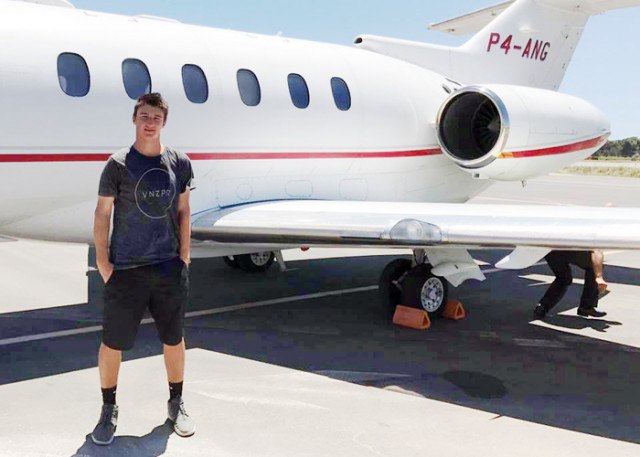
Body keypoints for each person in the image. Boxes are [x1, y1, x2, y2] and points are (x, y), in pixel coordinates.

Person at [92, 93, 195, 445]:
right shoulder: (117, 164)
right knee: (112, 343)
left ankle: (176, 402)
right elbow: (102, 213)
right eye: (144, 116)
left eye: (156, 117)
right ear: (134, 119)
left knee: (174, 339)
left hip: (168, 267)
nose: (150, 123)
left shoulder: (179, 162)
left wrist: (184, 255)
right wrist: (103, 262)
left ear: (164, 122)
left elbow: (184, 210)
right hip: (126, 269)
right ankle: (108, 409)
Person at [533, 250, 606, 319]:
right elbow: (596, 251)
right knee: (595, 266)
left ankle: (542, 307)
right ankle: (586, 307)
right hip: (568, 249)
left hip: (550, 251)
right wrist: (599, 276)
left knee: (564, 278)